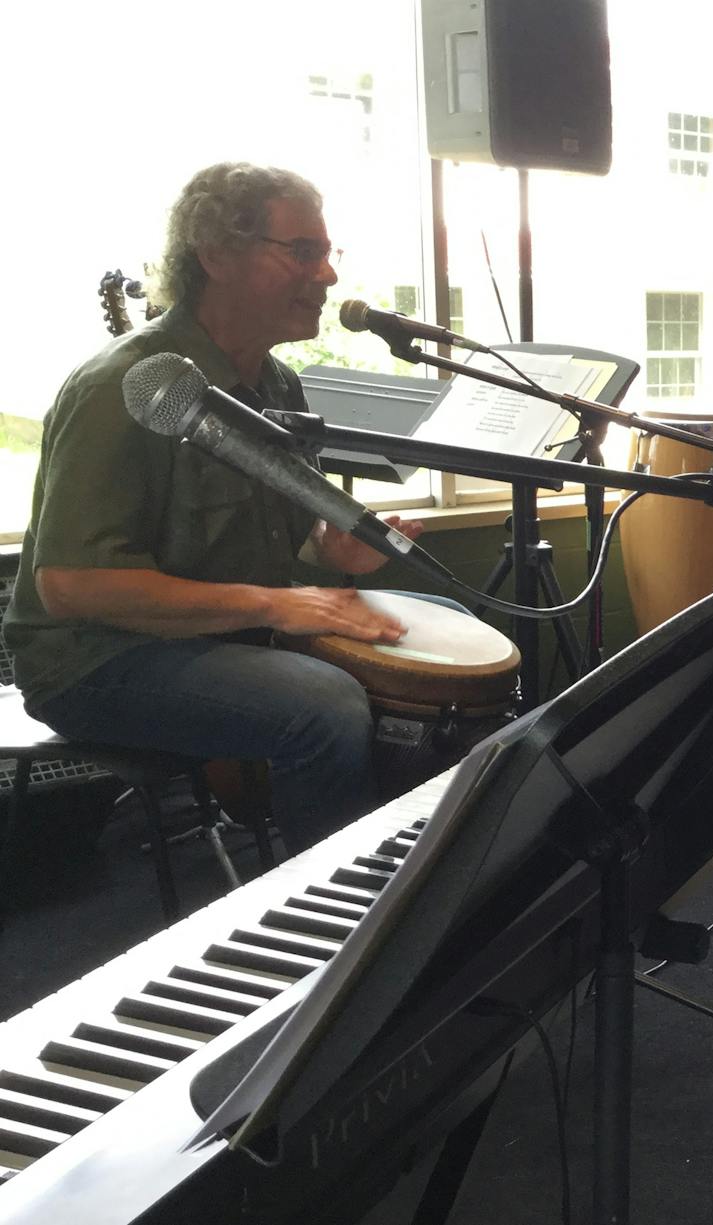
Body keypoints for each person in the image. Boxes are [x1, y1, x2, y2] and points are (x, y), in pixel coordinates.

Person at [3, 161, 419, 854]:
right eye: (303, 252)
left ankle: (419, 872)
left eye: (328, 253)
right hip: (95, 662)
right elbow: (72, 585)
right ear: (218, 255)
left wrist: (329, 551)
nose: (328, 277)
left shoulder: (279, 383)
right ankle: (339, 926)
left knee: (443, 637)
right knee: (324, 707)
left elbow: (284, 541)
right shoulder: (123, 384)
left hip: (214, 641)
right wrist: (277, 605)